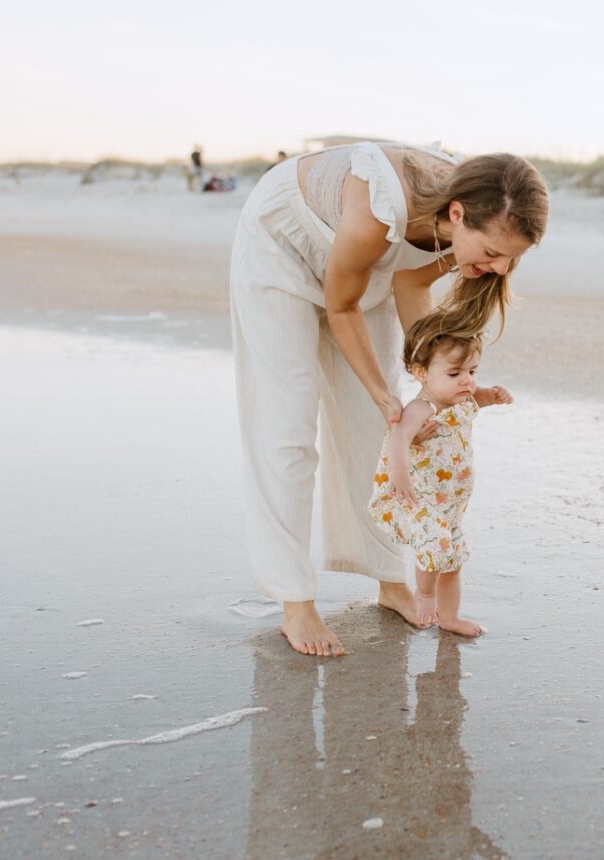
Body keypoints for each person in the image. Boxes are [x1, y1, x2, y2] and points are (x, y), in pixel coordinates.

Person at [228, 141, 548, 658]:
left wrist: (429, 386)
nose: (497, 268)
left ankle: (386, 577)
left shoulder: (476, 218)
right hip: (282, 245)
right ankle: (295, 599)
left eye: (510, 259)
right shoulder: (380, 207)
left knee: (373, 431)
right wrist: (382, 393)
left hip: (360, 271)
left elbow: (409, 278)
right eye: (490, 253)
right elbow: (342, 305)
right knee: (286, 432)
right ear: (458, 215)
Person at [368, 316, 513, 638]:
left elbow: (481, 397)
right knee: (435, 545)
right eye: (454, 373)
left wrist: (496, 395)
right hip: (422, 499)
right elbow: (398, 437)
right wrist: (400, 476)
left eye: (472, 372)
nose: (467, 381)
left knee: (453, 560)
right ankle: (424, 596)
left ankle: (450, 618)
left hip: (451, 502)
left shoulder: (462, 398)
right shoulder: (423, 408)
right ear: (421, 373)